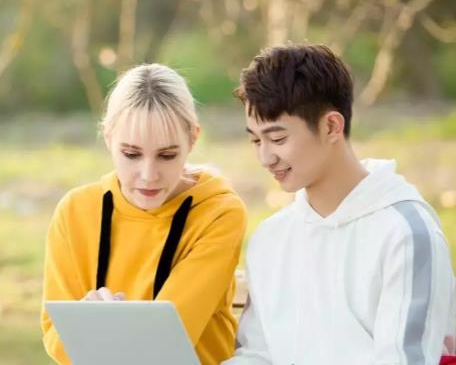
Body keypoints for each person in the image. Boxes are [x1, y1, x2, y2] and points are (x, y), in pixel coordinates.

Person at [224, 44, 455, 364]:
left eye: (277, 139)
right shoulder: (270, 238)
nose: (265, 157)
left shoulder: (406, 235)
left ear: (332, 126)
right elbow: (257, 354)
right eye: (255, 140)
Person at [41, 63, 247, 364]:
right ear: (108, 137)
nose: (149, 175)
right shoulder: (75, 212)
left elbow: (167, 340)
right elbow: (57, 339)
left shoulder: (218, 213)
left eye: (167, 155)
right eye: (131, 154)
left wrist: (91, 327)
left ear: (193, 139)